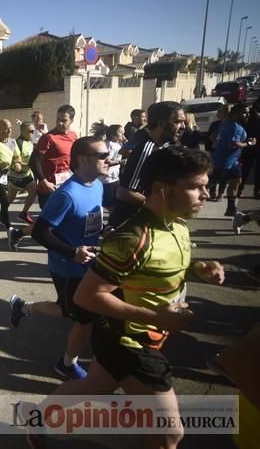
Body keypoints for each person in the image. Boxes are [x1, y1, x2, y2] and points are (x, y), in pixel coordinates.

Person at [35, 146, 225, 449]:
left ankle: (38, 420)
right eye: (195, 187)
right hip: (128, 343)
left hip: (145, 338)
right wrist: (155, 318)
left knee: (94, 388)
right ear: (162, 189)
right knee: (169, 435)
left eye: (205, 185)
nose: (206, 194)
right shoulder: (132, 239)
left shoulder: (177, 224)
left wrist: (198, 268)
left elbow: (162, 268)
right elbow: (87, 296)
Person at [10, 136, 108, 381]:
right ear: (83, 159)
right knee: (83, 318)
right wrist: (72, 252)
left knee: (68, 312)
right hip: (68, 268)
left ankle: (22, 307)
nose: (110, 160)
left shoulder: (97, 185)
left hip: (90, 264)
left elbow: (89, 223)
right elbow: (41, 232)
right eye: (103, 156)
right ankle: (66, 364)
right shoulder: (66, 195)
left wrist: (105, 232)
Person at [109, 101, 186, 228]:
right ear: (161, 123)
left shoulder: (165, 146)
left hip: (150, 221)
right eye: (177, 122)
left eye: (183, 122)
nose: (183, 126)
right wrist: (161, 209)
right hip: (131, 225)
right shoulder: (146, 149)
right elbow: (125, 192)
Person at [29, 105, 79, 209]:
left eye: (64, 120)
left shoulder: (73, 136)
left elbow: (72, 160)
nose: (60, 123)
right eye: (58, 119)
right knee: (49, 222)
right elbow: (33, 161)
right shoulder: (48, 138)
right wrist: (45, 182)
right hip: (49, 188)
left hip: (65, 185)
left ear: (71, 121)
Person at [207, 104, 253, 216]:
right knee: (209, 184)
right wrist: (249, 143)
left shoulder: (225, 124)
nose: (247, 115)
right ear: (235, 114)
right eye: (244, 112)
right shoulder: (235, 127)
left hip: (232, 162)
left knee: (236, 181)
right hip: (224, 161)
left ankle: (231, 209)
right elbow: (233, 144)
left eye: (247, 112)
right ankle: (184, 205)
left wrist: (219, 144)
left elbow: (212, 137)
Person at [9, 122, 38, 224]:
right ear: (23, 131)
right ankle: (2, 213)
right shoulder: (18, 143)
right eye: (30, 131)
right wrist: (31, 165)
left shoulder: (29, 142)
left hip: (26, 174)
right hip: (17, 176)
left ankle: (23, 213)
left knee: (33, 192)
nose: (32, 134)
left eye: (33, 131)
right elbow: (16, 162)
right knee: (10, 198)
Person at [100, 124, 125, 210]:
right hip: (107, 180)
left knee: (115, 203)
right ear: (113, 134)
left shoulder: (117, 145)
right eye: (121, 132)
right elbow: (107, 162)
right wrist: (120, 162)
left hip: (114, 178)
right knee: (110, 206)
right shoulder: (109, 144)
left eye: (123, 132)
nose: (123, 135)